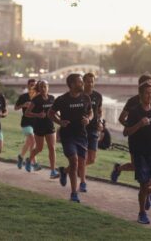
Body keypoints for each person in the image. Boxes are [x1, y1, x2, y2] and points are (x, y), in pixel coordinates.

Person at [111, 74, 151, 207]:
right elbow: (121, 118)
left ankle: (148, 195)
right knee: (137, 167)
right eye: (146, 85)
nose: (150, 91)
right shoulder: (132, 101)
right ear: (140, 87)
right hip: (136, 140)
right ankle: (118, 168)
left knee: (150, 169)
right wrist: (133, 126)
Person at [123, 82, 151, 224]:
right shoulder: (134, 111)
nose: (150, 96)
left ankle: (148, 194)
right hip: (140, 153)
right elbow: (126, 132)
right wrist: (139, 124)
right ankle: (142, 213)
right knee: (144, 184)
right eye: (148, 93)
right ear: (141, 94)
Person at [48, 73, 92, 203]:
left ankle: (63, 172)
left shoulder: (86, 98)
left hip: (82, 135)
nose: (82, 84)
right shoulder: (62, 99)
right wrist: (59, 122)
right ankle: (74, 193)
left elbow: (91, 111)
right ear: (72, 84)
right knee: (74, 162)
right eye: (79, 82)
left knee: (80, 164)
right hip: (68, 136)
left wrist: (88, 119)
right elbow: (50, 113)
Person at [25, 80, 59, 178]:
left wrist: (60, 119)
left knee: (52, 148)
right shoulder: (36, 99)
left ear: (48, 87)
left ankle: (53, 171)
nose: (43, 89)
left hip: (50, 126)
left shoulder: (52, 98)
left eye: (45, 86)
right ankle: (29, 160)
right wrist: (38, 115)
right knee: (39, 148)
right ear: (39, 88)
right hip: (39, 126)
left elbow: (55, 112)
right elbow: (27, 113)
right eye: (41, 87)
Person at [82, 72, 103, 192]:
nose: (90, 84)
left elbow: (99, 111)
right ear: (84, 82)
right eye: (88, 81)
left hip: (94, 128)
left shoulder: (98, 96)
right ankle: (83, 182)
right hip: (82, 129)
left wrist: (101, 122)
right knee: (83, 157)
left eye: (92, 81)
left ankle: (67, 170)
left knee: (92, 159)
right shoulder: (80, 95)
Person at [15, 79, 36, 170]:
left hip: (36, 122)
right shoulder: (23, 96)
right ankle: (33, 162)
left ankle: (20, 156)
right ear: (27, 86)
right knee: (32, 140)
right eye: (31, 85)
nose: (33, 86)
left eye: (34, 85)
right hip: (26, 122)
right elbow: (16, 108)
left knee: (28, 143)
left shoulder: (38, 97)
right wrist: (23, 105)